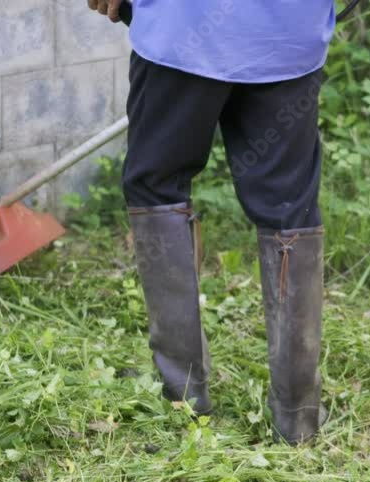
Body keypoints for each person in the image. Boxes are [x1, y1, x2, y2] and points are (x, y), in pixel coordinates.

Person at [88, 0, 335, 444]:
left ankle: (183, 399)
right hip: (288, 33)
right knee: (289, 208)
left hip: (183, 26)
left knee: (157, 188)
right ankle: (297, 417)